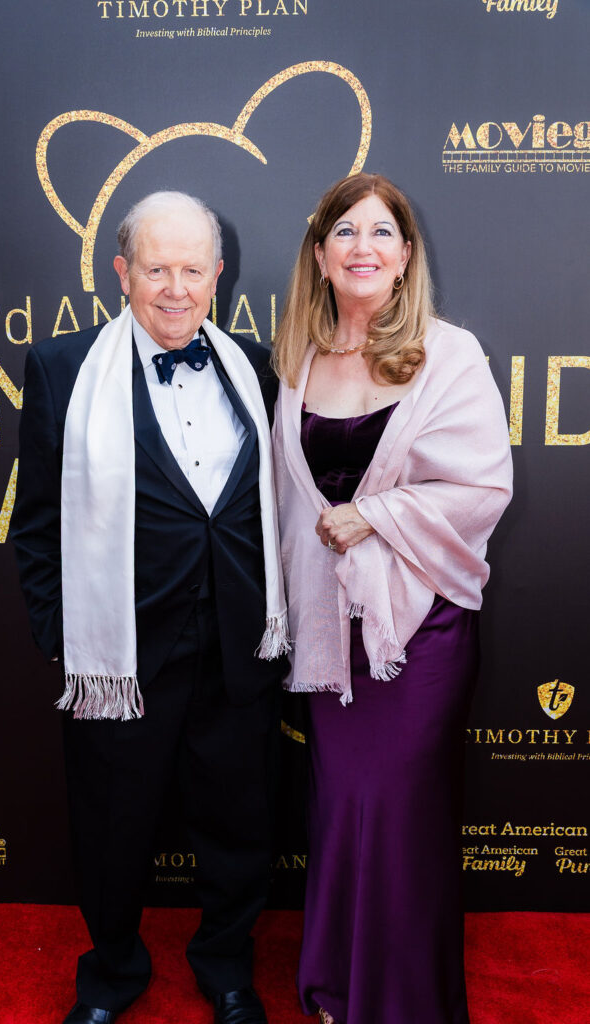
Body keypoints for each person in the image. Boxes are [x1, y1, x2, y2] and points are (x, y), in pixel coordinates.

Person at [10, 191, 289, 1024]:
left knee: (238, 827)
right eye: (156, 269)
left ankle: (226, 968)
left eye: (192, 270)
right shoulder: (63, 368)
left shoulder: (257, 367)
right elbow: (36, 524)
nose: (175, 288)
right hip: (120, 653)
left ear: (218, 275)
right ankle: (111, 976)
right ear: (122, 273)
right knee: (111, 828)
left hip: (238, 643)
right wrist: (65, 638)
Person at [271, 173, 513, 1024]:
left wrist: (372, 515)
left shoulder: (449, 355)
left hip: (419, 633)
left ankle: (404, 1003)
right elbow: (284, 498)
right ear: (319, 256)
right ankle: (337, 991)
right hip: (329, 634)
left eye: (380, 232)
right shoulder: (296, 362)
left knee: (400, 816)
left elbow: (481, 488)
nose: (362, 247)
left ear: (406, 255)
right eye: (344, 232)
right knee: (340, 810)